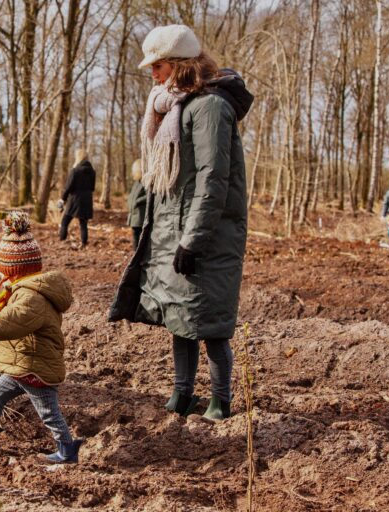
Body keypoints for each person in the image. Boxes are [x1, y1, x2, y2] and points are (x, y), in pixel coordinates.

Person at [108, 25, 254, 422]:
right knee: (181, 318)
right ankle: (182, 394)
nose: (152, 75)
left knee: (213, 325)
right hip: (179, 231)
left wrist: (194, 240)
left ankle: (220, 401)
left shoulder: (210, 107)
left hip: (207, 234)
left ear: (178, 65)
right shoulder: (178, 106)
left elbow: (212, 178)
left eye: (157, 66)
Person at [0, 212, 83, 464]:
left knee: (48, 412)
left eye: (3, 272)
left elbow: (9, 322)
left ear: (14, 270)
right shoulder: (25, 290)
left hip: (35, 365)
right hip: (22, 363)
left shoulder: (31, 298)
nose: (0, 278)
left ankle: (67, 450)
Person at [58, 149, 95, 247]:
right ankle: (84, 243)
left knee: (65, 221)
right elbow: (92, 187)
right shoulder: (92, 171)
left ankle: (62, 240)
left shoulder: (75, 171)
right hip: (87, 200)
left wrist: (62, 199)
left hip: (74, 199)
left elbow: (68, 187)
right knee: (83, 223)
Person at [126, 159, 147, 250]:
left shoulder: (145, 182)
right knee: (135, 235)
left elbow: (149, 196)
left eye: (134, 171)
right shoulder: (136, 183)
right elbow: (132, 195)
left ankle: (138, 255)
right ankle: (135, 254)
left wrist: (137, 201)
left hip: (140, 216)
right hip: (134, 214)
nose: (133, 173)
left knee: (139, 236)